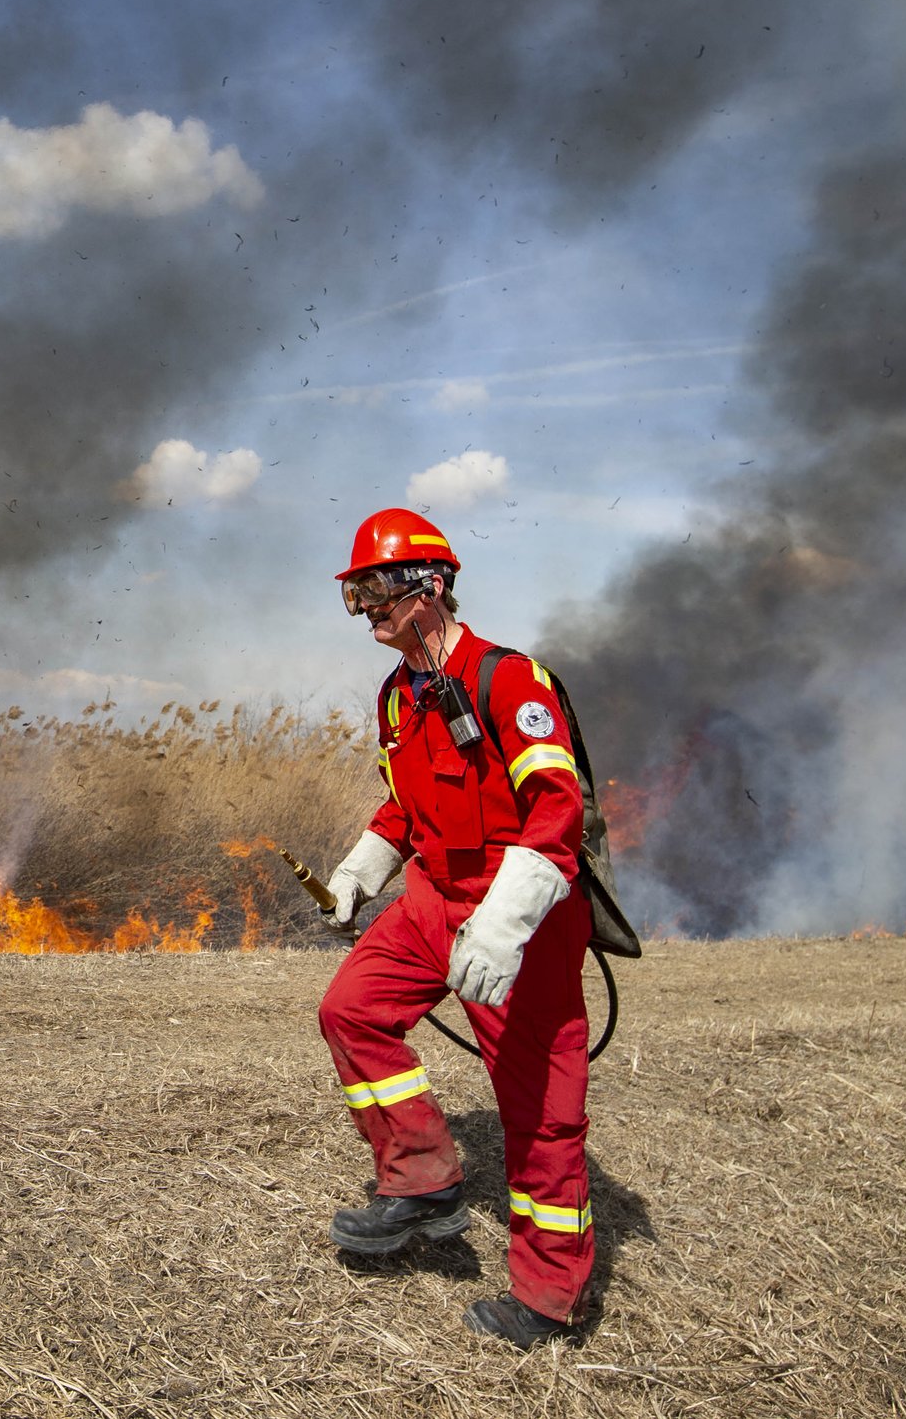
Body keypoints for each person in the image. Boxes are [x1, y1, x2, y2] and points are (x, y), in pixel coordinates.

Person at [317, 507, 595, 1349]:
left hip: (521, 918)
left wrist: (504, 926)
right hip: (433, 901)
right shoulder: (398, 696)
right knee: (351, 1011)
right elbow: (407, 805)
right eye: (355, 593)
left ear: (429, 588)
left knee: (540, 1112)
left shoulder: (510, 680)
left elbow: (559, 812)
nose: (365, 607)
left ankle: (547, 1300)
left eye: (376, 589)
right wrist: (366, 864)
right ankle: (424, 1181)